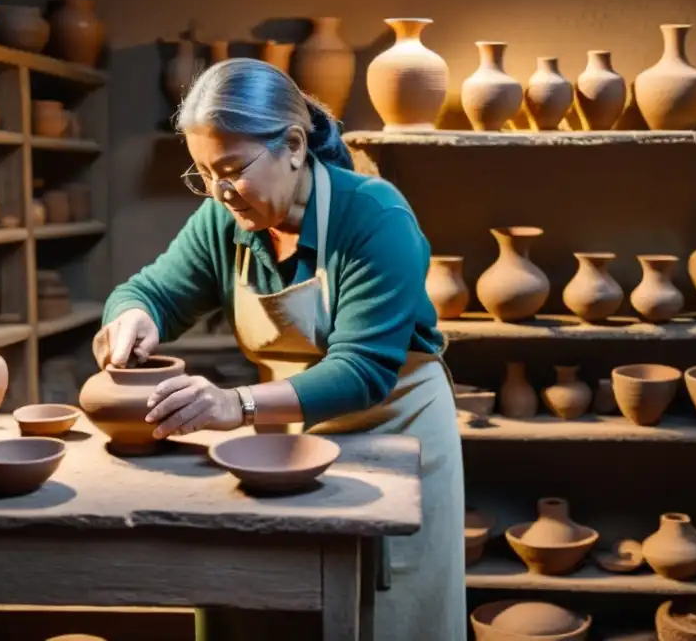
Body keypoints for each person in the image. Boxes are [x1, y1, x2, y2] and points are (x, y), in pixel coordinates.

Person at [92, 58, 466, 640]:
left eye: (231, 169)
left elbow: (362, 370)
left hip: (393, 432)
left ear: (293, 144)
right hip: (288, 440)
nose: (219, 192)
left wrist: (233, 406)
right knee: (265, 605)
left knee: (383, 619)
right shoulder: (224, 221)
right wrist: (131, 317)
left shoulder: (372, 214)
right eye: (202, 174)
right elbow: (150, 290)